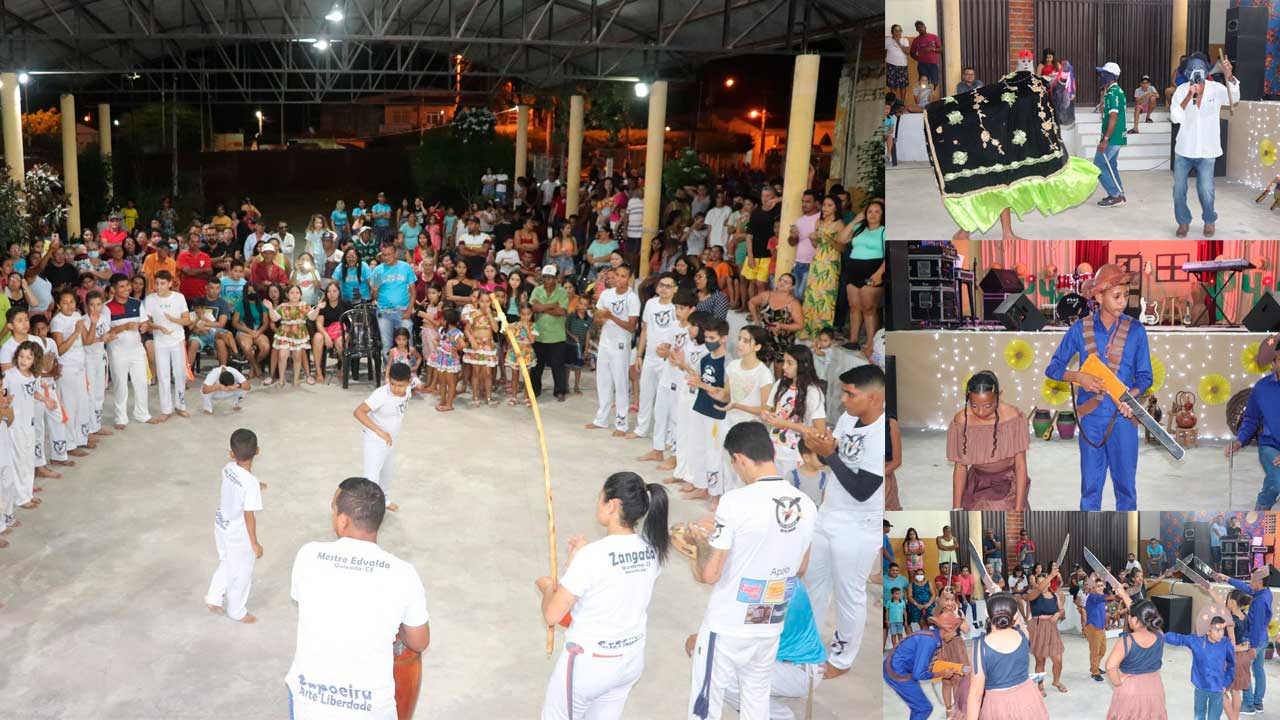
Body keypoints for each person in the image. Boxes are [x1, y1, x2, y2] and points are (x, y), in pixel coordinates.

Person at [683, 421, 817, 720]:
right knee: (755, 700)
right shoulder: (807, 505)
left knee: (706, 703)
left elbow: (709, 574)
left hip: (729, 624)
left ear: (739, 459)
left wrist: (699, 544)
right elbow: (801, 568)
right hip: (769, 622)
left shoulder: (734, 502)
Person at [285, 477, 430, 715]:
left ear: (343, 520)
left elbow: (313, 603)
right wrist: (397, 627)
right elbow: (419, 641)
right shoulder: (404, 574)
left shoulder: (308, 556)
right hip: (370, 709)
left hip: (309, 704)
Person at [535, 472, 670, 720]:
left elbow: (553, 614)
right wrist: (581, 558)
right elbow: (616, 579)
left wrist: (547, 587)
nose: (597, 503)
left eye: (600, 498)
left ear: (612, 505)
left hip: (590, 664)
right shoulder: (652, 550)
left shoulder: (593, 557)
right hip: (629, 661)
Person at [1046, 264, 1151, 510]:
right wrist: (1079, 377)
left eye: (1126, 295)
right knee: (1090, 489)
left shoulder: (1136, 330)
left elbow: (1145, 377)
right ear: (1099, 296)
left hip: (1123, 419)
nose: (1123, 302)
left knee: (1126, 489)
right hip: (1090, 419)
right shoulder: (1079, 329)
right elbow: (1052, 368)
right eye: (1116, 296)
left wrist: (1130, 398)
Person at [802, 364, 885, 676]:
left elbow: (862, 489)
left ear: (874, 398)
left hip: (858, 525)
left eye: (850, 394)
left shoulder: (881, 434)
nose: (843, 401)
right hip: (829, 514)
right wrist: (819, 449)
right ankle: (805, 643)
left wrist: (831, 456)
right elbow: (830, 456)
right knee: (813, 584)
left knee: (849, 595)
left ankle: (841, 658)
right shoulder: (850, 418)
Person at [1169, 52, 1239, 237]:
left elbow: (1235, 98)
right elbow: (1175, 117)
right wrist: (1190, 95)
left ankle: (1209, 220)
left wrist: (1229, 76)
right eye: (1192, 69)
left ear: (1206, 70)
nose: (1196, 72)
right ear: (1187, 73)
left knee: (1206, 189)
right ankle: (1183, 222)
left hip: (1208, 150)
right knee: (1178, 190)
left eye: (1200, 68)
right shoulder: (1182, 90)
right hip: (1184, 150)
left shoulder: (1216, 88)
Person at [204, 428, 264, 624]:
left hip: (221, 524)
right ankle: (237, 611)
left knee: (228, 562)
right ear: (257, 451)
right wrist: (254, 543)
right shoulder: (250, 485)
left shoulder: (228, 468)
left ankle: (213, 597)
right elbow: (249, 515)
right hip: (238, 533)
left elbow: (239, 481)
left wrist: (255, 483)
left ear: (231, 453)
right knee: (243, 571)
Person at [948, 371, 1030, 509]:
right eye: (974, 405)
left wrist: (1019, 508)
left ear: (999, 396)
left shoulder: (1013, 418)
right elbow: (960, 467)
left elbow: (1020, 465)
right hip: (977, 481)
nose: (981, 412)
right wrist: (956, 508)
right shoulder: (961, 421)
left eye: (988, 406)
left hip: (1007, 481)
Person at [965, 592, 1051, 719]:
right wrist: (1000, 592)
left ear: (986, 613)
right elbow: (1019, 623)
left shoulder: (980, 647)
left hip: (998, 705)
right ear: (1016, 614)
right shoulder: (1023, 635)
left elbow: (975, 696)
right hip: (1028, 698)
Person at [354, 362, 420, 513]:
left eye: (401, 385)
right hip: (375, 439)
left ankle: (384, 500)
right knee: (371, 477)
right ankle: (367, 511)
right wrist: (380, 432)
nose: (396, 389)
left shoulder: (409, 389)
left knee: (387, 473)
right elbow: (358, 412)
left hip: (391, 440)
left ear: (408, 382)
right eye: (393, 384)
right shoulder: (381, 394)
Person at [586, 264, 639, 436]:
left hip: (621, 344)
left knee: (620, 382)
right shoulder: (606, 294)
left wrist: (610, 317)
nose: (619, 278)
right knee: (603, 380)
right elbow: (597, 317)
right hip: (605, 342)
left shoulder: (632, 298)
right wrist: (599, 318)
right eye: (617, 274)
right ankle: (601, 419)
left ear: (630, 278)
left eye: (624, 276)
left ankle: (621, 423)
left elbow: (631, 326)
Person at [1214, 566, 1273, 714]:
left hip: (1255, 640)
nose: (1250, 583)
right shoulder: (1265, 592)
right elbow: (1244, 587)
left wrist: (1252, 646)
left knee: (1244, 671)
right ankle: (1258, 702)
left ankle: (1248, 704)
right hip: (1263, 638)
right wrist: (1227, 578)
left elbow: (1257, 626)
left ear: (1259, 581)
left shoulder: (1259, 601)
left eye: (1252, 580)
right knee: (1258, 670)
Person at [630, 272, 678, 443]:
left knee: (665, 399)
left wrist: (669, 349)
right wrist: (639, 354)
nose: (664, 289)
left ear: (675, 289)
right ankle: (641, 428)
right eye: (662, 285)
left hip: (667, 359)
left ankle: (667, 436)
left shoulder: (676, 308)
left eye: (668, 286)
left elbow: (680, 334)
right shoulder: (650, 304)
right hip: (649, 356)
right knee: (646, 394)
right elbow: (644, 330)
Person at [884, 623, 961, 720]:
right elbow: (919, 674)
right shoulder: (930, 641)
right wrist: (942, 674)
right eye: (955, 632)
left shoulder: (932, 635)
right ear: (946, 630)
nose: (955, 635)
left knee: (919, 707)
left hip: (896, 666)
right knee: (923, 708)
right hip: (896, 671)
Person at [1166, 615, 1236, 719]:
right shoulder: (1196, 640)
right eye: (1218, 630)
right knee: (1199, 716)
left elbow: (1231, 665)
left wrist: (1225, 683)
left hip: (1218, 687)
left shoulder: (1226, 643)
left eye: (1223, 630)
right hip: (1200, 686)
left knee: (1214, 717)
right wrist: (1161, 635)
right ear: (1208, 631)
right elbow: (1179, 639)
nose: (1221, 633)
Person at [143, 270, 192, 421]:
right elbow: (146, 323)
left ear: (170, 283)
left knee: (179, 374)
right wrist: (158, 327)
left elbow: (187, 320)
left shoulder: (179, 298)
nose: (159, 286)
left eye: (163, 283)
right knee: (163, 375)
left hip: (177, 340)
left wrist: (173, 320)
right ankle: (166, 409)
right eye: (157, 283)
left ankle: (180, 405)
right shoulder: (150, 299)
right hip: (160, 342)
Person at [104, 273, 151, 428]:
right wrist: (123, 327)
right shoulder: (106, 308)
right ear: (113, 289)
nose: (127, 289)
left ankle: (142, 414)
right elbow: (105, 333)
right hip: (118, 352)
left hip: (137, 350)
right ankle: (121, 418)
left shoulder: (137, 303)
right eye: (122, 286)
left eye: (127, 285)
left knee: (142, 382)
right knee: (120, 384)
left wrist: (144, 326)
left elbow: (144, 323)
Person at [1021, 569, 1067, 694]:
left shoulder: (1055, 596)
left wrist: (1058, 614)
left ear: (1049, 583)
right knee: (1040, 660)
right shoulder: (1033, 594)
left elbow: (1062, 611)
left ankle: (1056, 681)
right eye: (1040, 583)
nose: (1043, 585)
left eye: (1045, 582)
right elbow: (1031, 596)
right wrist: (1051, 575)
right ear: (1036, 584)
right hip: (1038, 628)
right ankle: (1039, 685)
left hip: (1052, 629)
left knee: (1058, 659)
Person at [369, 244, 416, 361]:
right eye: (384, 255)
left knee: (408, 343)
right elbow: (375, 295)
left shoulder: (405, 267)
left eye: (389, 254)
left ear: (396, 254)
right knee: (387, 345)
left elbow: (413, 291)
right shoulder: (378, 271)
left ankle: (410, 372)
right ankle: (389, 373)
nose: (386, 257)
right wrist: (374, 291)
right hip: (384, 312)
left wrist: (409, 310)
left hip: (403, 311)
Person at [1095, 61, 1128, 208]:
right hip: (1114, 137)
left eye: (1103, 74)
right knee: (1111, 165)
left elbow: (1113, 117)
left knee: (1099, 165)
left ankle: (1115, 195)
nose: (1100, 76)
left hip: (1112, 137)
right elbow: (1105, 113)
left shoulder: (1114, 93)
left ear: (1110, 76)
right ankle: (1119, 193)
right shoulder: (1111, 92)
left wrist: (1105, 140)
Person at [909, 20, 942, 87]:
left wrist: (932, 49)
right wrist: (918, 59)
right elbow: (912, 53)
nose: (921, 28)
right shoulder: (916, 40)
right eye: (918, 27)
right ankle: (924, 96)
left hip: (933, 63)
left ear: (925, 27)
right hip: (922, 65)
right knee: (923, 83)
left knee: (935, 81)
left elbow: (941, 49)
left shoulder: (934, 37)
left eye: (922, 26)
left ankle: (930, 94)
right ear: (917, 29)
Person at [886, 24, 910, 95]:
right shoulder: (887, 40)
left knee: (903, 86)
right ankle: (894, 103)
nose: (898, 32)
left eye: (900, 31)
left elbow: (907, 52)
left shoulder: (905, 40)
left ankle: (902, 104)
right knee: (892, 85)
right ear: (892, 32)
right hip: (891, 66)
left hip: (902, 66)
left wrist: (899, 42)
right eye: (896, 31)